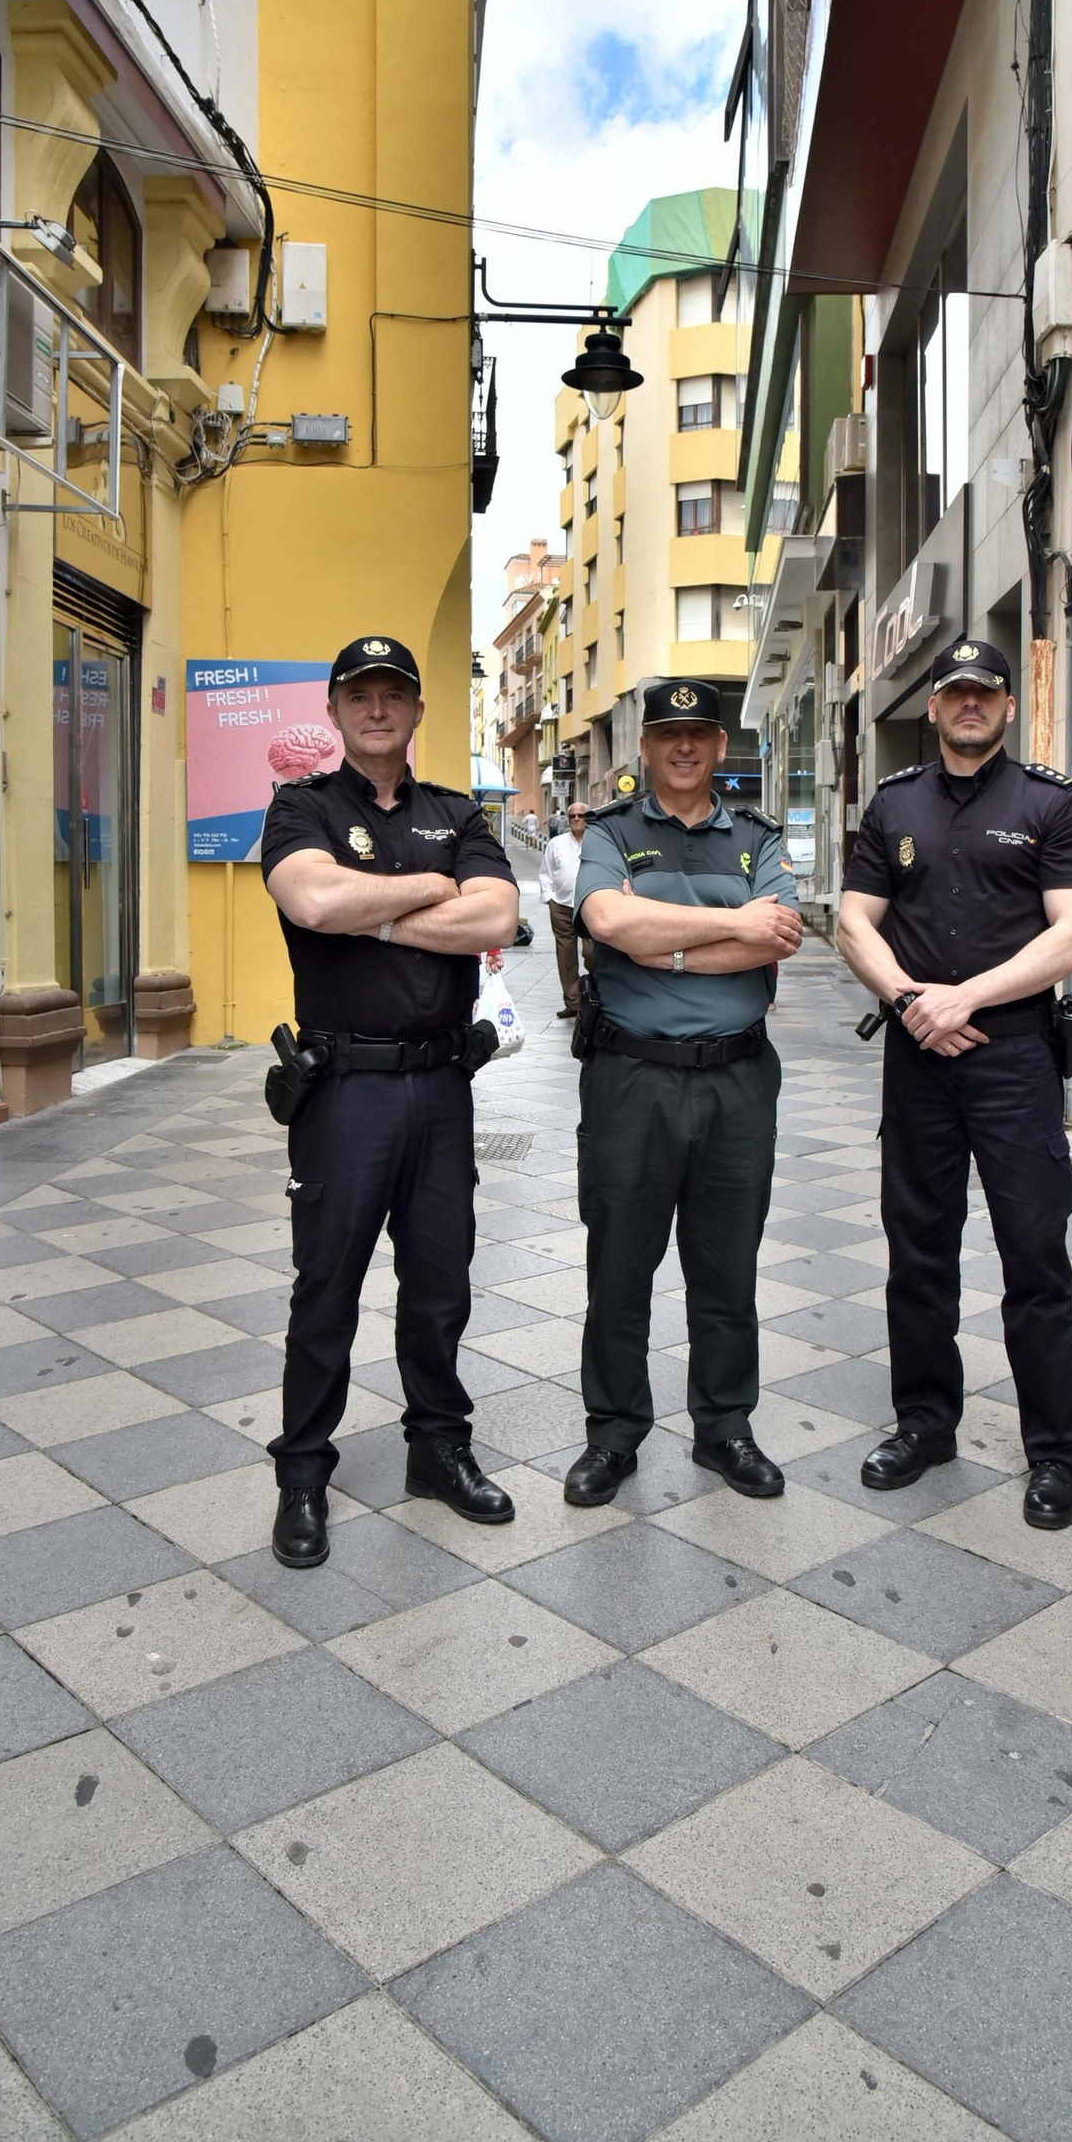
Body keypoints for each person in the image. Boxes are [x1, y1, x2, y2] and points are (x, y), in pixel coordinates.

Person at [259, 634, 521, 1567]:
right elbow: (312, 905)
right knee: (327, 1284)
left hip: (443, 1087)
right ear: (333, 711)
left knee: (441, 1281)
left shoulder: (459, 810)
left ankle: (437, 1448)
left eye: (393, 695)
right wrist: (427, 891)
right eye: (358, 694)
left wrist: (371, 903)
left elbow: (496, 918)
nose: (376, 708)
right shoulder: (300, 809)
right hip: (345, 1092)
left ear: (416, 712)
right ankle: (302, 1473)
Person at [836, 637, 1072, 1531]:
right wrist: (913, 1000)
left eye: (984, 692)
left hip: (1015, 1058)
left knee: (1034, 1254)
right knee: (918, 1252)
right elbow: (852, 921)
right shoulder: (893, 804)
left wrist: (966, 999)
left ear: (1006, 705)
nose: (969, 704)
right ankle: (925, 1425)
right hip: (918, 1058)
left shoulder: (1051, 805)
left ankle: (1054, 1454)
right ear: (935, 706)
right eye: (955, 693)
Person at [564, 679, 802, 1507]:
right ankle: (614, 1433)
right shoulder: (614, 832)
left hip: (739, 1079)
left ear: (720, 746)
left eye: (700, 733)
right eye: (670, 735)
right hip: (631, 1080)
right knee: (620, 1267)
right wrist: (734, 923)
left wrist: (663, 937)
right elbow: (608, 924)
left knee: (727, 1270)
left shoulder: (758, 835)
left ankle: (725, 1428)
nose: (685, 748)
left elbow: (779, 938)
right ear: (646, 747)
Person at [538, 800, 591, 1017]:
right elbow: (545, 872)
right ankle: (573, 1003)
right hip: (561, 904)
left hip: (590, 904)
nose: (577, 819)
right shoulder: (556, 843)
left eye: (581, 815)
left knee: (593, 953)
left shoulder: (598, 842)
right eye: (572, 816)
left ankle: (598, 995)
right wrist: (549, 898)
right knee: (566, 954)